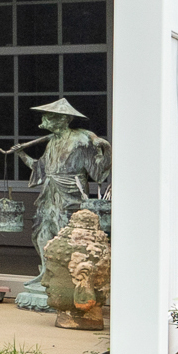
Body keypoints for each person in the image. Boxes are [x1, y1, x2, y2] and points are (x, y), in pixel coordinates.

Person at [6, 99, 108, 312]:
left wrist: (105, 148)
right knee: (41, 235)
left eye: (48, 116)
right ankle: (48, 276)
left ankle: (68, 282)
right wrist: (21, 154)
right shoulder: (51, 142)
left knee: (66, 236)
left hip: (70, 194)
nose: (43, 120)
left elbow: (98, 171)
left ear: (62, 119)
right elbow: (40, 169)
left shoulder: (82, 139)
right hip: (49, 195)